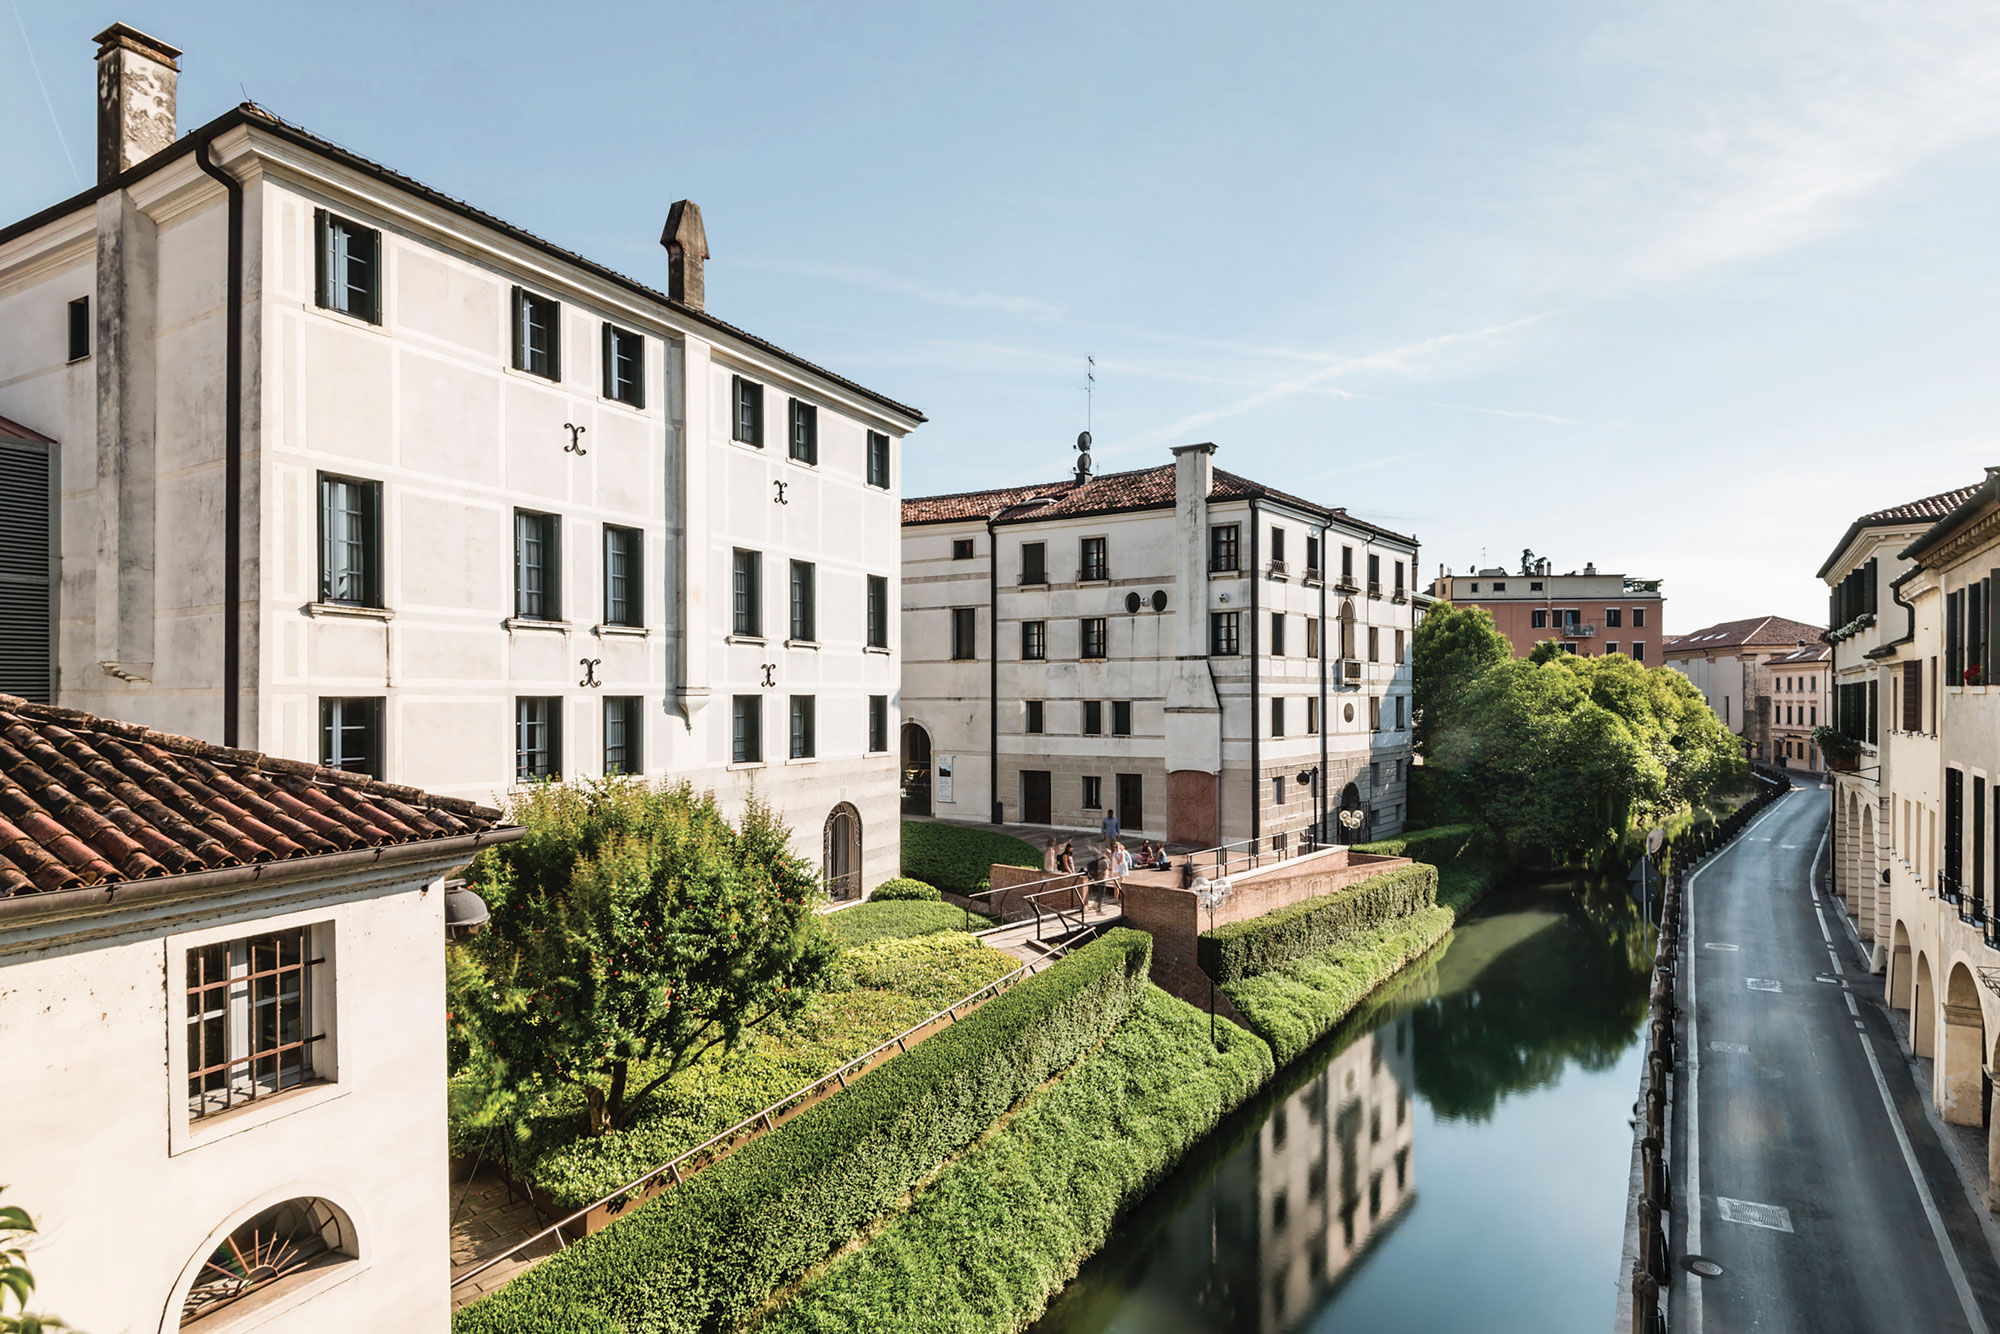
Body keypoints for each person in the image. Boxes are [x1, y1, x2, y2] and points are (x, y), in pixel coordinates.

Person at [1106, 840, 1131, 908]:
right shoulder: (1114, 853)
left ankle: (1122, 899)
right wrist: (1110, 872)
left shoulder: (1121, 854)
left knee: (1120, 885)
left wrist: (1115, 856)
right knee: (1115, 886)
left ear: (1119, 847)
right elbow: (1113, 863)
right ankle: (1116, 899)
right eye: (1115, 847)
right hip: (1115, 871)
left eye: (1117, 847)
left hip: (1120, 871)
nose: (1116, 848)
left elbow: (1118, 862)